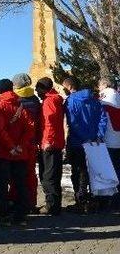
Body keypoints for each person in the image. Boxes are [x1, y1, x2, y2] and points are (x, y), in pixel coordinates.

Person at [0, 79, 35, 226]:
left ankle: (3, 214)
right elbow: (30, 128)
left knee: (1, 185)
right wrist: (20, 146)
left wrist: (11, 147)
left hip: (3, 152)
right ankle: (21, 215)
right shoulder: (21, 105)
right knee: (21, 184)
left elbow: (0, 130)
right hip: (21, 153)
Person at [63, 76, 104, 213]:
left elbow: (73, 123)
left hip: (77, 142)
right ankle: (94, 199)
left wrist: (82, 137)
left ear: (69, 87)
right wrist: (98, 135)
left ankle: (81, 200)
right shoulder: (95, 99)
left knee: (78, 171)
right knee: (94, 170)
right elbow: (102, 118)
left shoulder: (70, 101)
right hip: (94, 141)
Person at [35, 77, 65, 216]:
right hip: (55, 143)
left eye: (38, 88)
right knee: (54, 175)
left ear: (43, 88)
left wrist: (47, 141)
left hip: (50, 144)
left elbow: (49, 123)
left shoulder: (49, 101)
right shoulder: (55, 99)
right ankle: (54, 204)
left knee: (48, 176)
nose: (36, 91)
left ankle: (52, 206)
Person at [12, 73, 41, 211]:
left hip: (18, 141)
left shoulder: (16, 99)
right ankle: (31, 201)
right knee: (30, 173)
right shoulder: (35, 99)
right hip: (32, 141)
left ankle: (16, 200)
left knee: (16, 173)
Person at [97, 77, 120, 209]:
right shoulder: (118, 95)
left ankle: (111, 200)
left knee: (110, 172)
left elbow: (101, 119)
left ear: (105, 84)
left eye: (99, 85)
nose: (98, 87)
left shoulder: (104, 97)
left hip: (109, 140)